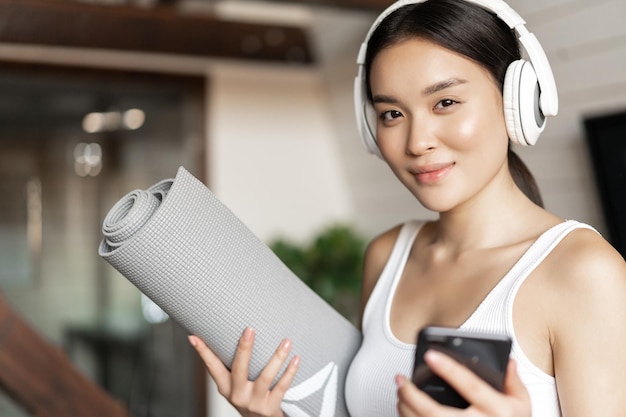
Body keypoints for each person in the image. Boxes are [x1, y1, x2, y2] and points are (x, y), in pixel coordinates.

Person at [188, 0, 626, 416]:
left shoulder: (584, 272)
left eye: (446, 103)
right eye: (392, 114)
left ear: (517, 100)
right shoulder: (387, 255)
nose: (417, 142)